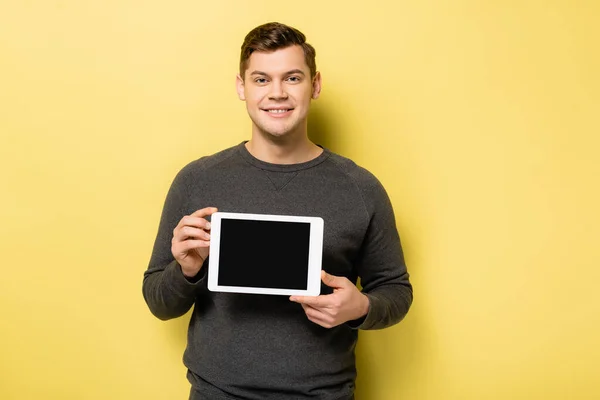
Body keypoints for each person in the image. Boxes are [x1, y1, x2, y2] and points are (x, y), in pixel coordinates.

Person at [142, 22, 413, 400]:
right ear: (242, 87)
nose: (277, 93)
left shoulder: (360, 188)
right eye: (261, 80)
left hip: (323, 394)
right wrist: (186, 269)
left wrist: (361, 306)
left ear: (315, 85)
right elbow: (158, 301)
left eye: (292, 78)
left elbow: (396, 291)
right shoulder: (197, 180)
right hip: (216, 393)